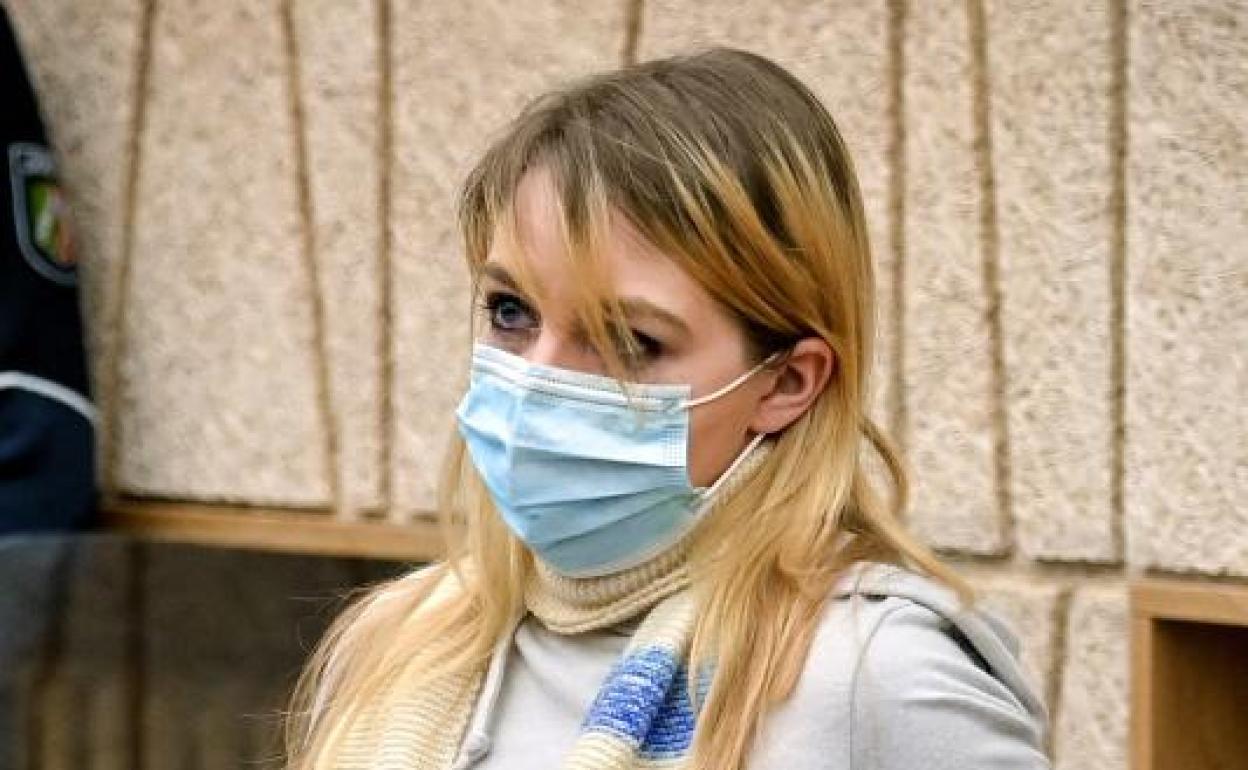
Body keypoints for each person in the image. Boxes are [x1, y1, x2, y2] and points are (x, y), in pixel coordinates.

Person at [285, 47, 1050, 769]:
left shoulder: (874, 678)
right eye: (511, 310)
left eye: (626, 339)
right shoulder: (399, 642)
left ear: (787, 383)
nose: (536, 377)